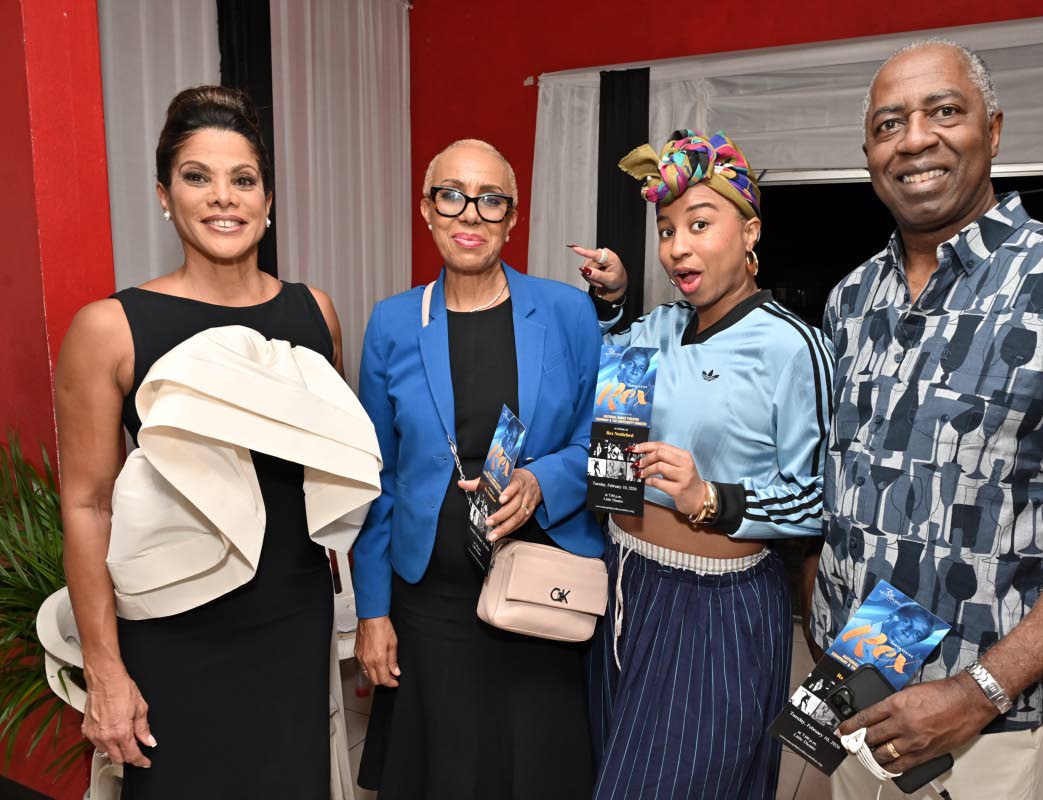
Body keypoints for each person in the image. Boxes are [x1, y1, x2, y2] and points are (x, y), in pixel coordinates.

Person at [813, 39, 1043, 800]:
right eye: (889, 124)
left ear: (994, 129)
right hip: (856, 686)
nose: (915, 138)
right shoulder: (852, 301)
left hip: (981, 722)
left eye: (944, 111)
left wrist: (980, 689)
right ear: (869, 152)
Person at [55, 86, 347, 798]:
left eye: (243, 180)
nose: (224, 198)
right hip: (173, 634)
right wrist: (105, 670)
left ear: (269, 199)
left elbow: (332, 476)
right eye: (197, 176)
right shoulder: (109, 329)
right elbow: (88, 505)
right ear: (164, 194)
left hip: (291, 624)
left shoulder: (316, 315)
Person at [573, 129, 832, 800]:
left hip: (715, 610)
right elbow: (601, 370)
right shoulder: (660, 326)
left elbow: (820, 500)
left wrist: (709, 495)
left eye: (698, 223)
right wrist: (613, 299)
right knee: (608, 765)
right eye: (665, 229)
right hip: (622, 583)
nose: (677, 245)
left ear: (750, 232)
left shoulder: (793, 345)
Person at [353, 139, 604, 799]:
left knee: (534, 773)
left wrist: (544, 480)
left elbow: (600, 439)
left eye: (490, 199)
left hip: (539, 595)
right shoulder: (393, 323)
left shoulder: (567, 312)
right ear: (427, 210)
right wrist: (372, 612)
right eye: (452, 195)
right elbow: (373, 479)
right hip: (429, 605)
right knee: (443, 773)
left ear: (513, 217)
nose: (470, 213)